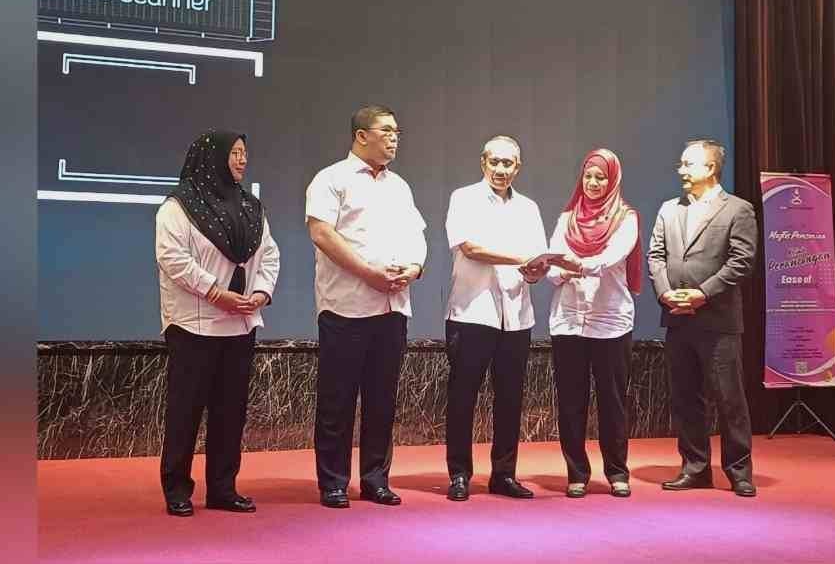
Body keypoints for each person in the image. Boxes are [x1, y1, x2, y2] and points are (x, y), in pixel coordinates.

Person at [306, 105, 427, 508]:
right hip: (346, 306)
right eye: (387, 130)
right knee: (337, 400)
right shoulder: (331, 179)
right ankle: (334, 481)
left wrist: (413, 267)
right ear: (361, 135)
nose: (395, 138)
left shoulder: (400, 186)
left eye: (397, 131)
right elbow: (321, 232)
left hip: (392, 307)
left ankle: (376, 478)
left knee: (382, 400)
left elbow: (417, 234)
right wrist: (367, 272)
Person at [156, 130, 280, 517]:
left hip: (240, 324)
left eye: (245, 153)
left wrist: (260, 292)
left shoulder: (251, 206)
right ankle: (177, 488)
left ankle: (223, 488)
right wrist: (214, 292)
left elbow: (270, 254)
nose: (243, 160)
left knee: (231, 412)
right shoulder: (178, 206)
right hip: (194, 324)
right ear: (213, 159)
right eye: (235, 153)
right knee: (186, 410)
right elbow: (172, 258)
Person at [647, 139, 758, 498]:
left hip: (718, 320)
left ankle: (739, 470)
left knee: (729, 399)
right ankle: (695, 468)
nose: (681, 170)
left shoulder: (737, 209)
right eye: (681, 164)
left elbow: (741, 261)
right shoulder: (668, 209)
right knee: (685, 398)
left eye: (688, 164)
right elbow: (656, 256)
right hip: (678, 318)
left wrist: (702, 293)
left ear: (710, 168)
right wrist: (665, 293)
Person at [443, 135, 548, 501]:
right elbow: (470, 248)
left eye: (509, 163)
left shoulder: (529, 208)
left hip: (517, 315)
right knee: (462, 396)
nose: (502, 169)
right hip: (472, 312)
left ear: (518, 167)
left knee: (510, 397)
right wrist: (520, 259)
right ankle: (459, 474)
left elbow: (536, 259)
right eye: (496, 162)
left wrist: (536, 271)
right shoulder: (464, 198)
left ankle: (504, 474)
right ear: (483, 162)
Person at [547, 148, 643, 499]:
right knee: (571, 401)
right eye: (588, 176)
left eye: (601, 176)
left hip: (610, 321)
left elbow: (611, 257)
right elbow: (554, 268)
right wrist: (560, 268)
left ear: (613, 179)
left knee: (613, 400)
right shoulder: (567, 218)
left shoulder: (625, 218)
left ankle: (617, 472)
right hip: (569, 321)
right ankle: (576, 473)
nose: (593, 182)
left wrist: (576, 265)